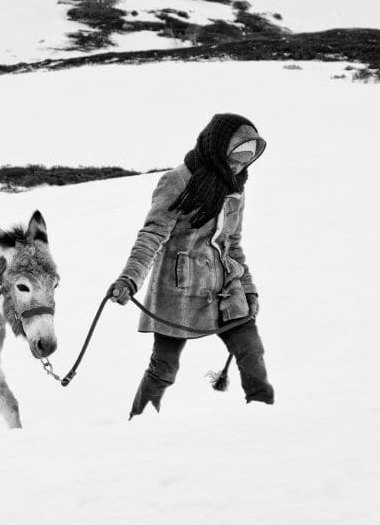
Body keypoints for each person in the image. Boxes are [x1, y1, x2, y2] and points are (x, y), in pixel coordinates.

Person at [110, 113, 275, 419]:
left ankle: (262, 419)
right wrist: (129, 280)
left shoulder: (235, 186)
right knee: (164, 368)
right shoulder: (177, 181)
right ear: (218, 148)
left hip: (225, 288)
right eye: (236, 157)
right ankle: (138, 424)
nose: (240, 166)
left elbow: (232, 243)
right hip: (179, 290)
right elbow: (152, 235)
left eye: (247, 160)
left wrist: (249, 290)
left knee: (252, 352)